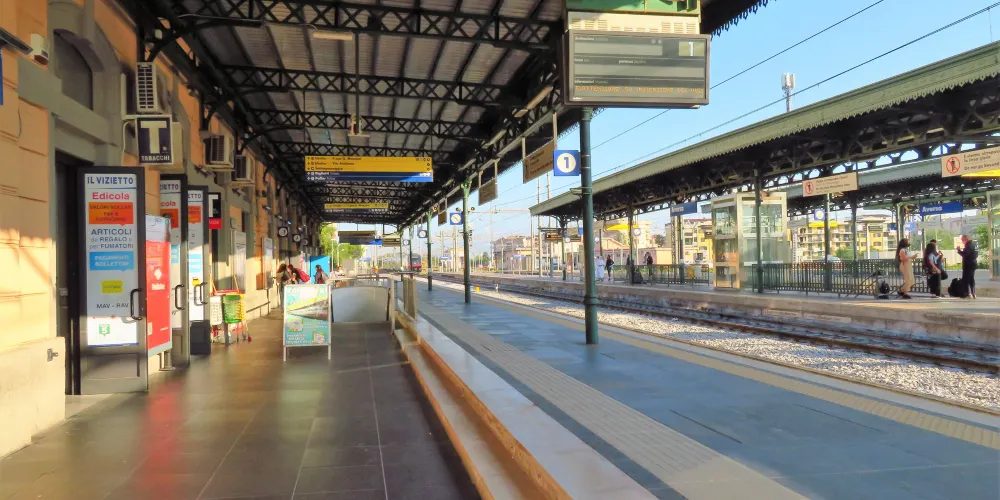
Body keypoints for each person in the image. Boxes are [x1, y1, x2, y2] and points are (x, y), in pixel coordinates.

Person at [957, 235, 979, 299]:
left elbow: (965, 254)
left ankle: (967, 293)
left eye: (963, 240)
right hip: (973, 263)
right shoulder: (974, 245)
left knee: (966, 279)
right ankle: (973, 292)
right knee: (971, 278)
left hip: (968, 264)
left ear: (966, 239)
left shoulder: (968, 246)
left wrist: (959, 250)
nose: (962, 241)